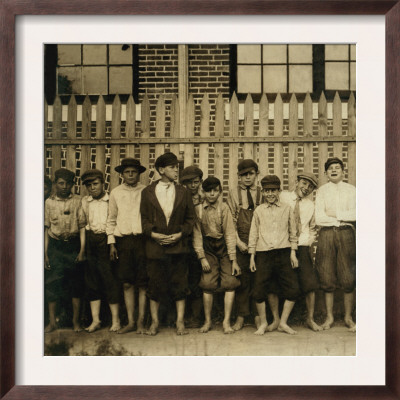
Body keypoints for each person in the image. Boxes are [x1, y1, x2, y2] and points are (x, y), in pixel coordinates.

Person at [141, 152, 196, 336]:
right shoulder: (147, 192)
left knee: (180, 285)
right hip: (155, 248)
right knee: (155, 286)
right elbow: (144, 219)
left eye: (177, 167)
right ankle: (155, 323)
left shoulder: (183, 192)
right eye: (172, 167)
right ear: (161, 169)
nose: (176, 170)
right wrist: (153, 234)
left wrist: (180, 234)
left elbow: (190, 219)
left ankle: (180, 322)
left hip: (178, 248)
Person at [248, 175, 300, 335]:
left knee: (293, 289)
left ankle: (283, 322)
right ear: (262, 192)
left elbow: (293, 233)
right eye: (267, 191)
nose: (270, 194)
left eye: (273, 190)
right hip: (263, 254)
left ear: (279, 191)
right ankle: (264, 322)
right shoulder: (259, 210)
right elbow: (253, 234)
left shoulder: (286, 209)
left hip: (284, 253)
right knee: (259, 290)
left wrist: (293, 253)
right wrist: (252, 256)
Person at [193, 176, 241, 334]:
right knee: (207, 283)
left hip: (225, 248)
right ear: (203, 192)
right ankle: (207, 321)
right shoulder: (199, 209)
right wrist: (201, 257)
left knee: (230, 281)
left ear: (220, 192)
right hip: (208, 249)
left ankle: (226, 321)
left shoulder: (224, 208)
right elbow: (197, 235)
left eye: (215, 191)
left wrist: (233, 260)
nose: (212, 194)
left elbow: (229, 233)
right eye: (208, 191)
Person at [106, 158, 148, 334]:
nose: (130, 175)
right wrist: (112, 243)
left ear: (139, 174)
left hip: (142, 241)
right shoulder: (115, 193)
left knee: (143, 283)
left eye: (134, 172)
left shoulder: (146, 191)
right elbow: (111, 218)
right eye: (127, 172)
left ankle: (140, 322)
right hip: (123, 242)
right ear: (121, 174)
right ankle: (130, 321)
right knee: (127, 283)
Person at [315, 157, 356, 332]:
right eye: (330, 168)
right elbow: (319, 218)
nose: (334, 170)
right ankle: (329, 317)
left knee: (348, 276)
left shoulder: (351, 190)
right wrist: (343, 215)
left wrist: (335, 214)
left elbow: (356, 214)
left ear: (343, 171)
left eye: (337, 167)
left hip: (346, 234)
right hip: (326, 234)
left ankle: (348, 317)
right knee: (327, 275)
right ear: (325, 173)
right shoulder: (322, 191)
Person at [44, 168, 86, 332]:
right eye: (61, 183)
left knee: (75, 284)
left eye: (68, 183)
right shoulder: (49, 202)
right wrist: (46, 254)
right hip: (55, 246)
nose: (64, 186)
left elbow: (82, 226)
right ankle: (53, 322)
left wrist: (82, 250)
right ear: (55, 184)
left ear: (72, 185)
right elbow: (46, 229)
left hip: (73, 245)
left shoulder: (78, 201)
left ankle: (76, 322)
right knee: (53, 283)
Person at [280, 172, 322, 331]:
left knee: (310, 283)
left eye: (310, 187)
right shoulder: (283, 197)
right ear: (296, 182)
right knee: (285, 282)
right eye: (304, 183)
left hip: (302, 246)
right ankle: (279, 320)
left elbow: (312, 228)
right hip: (284, 245)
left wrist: (307, 242)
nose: (306, 188)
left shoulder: (310, 205)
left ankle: (310, 319)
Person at [81, 169, 121, 333]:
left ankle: (116, 320)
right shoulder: (85, 201)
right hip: (91, 240)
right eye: (89, 185)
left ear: (103, 183)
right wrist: (84, 248)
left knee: (109, 279)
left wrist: (112, 243)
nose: (92, 188)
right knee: (92, 280)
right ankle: (96, 320)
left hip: (106, 240)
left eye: (95, 184)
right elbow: (83, 224)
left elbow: (114, 221)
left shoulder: (110, 199)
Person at [227, 159, 262, 331]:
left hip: (260, 242)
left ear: (257, 174)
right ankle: (241, 316)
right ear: (238, 177)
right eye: (244, 175)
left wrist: (257, 244)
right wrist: (238, 242)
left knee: (258, 280)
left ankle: (257, 316)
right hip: (240, 241)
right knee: (242, 280)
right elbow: (230, 221)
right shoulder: (234, 193)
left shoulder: (263, 193)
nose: (248, 178)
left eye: (251, 174)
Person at [181, 166, 204, 328]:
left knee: (198, 279)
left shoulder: (205, 198)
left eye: (196, 182)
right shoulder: (181, 199)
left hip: (204, 242)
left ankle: (197, 316)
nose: (193, 186)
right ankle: (182, 316)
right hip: (185, 242)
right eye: (189, 183)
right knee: (184, 279)